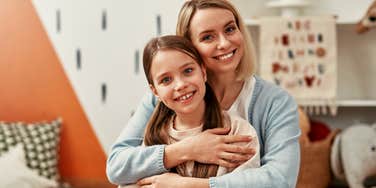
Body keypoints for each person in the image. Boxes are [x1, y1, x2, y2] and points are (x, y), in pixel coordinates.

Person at [106, 0, 300, 187]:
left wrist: (188, 185)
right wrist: (187, 150)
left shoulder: (274, 102)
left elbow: (281, 179)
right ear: (188, 46)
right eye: (208, 37)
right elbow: (117, 166)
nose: (224, 43)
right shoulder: (163, 100)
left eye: (230, 29)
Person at [120, 35, 260, 188]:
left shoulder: (238, 133)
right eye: (166, 80)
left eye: (188, 71)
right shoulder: (153, 138)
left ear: (203, 72)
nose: (180, 85)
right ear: (155, 92)